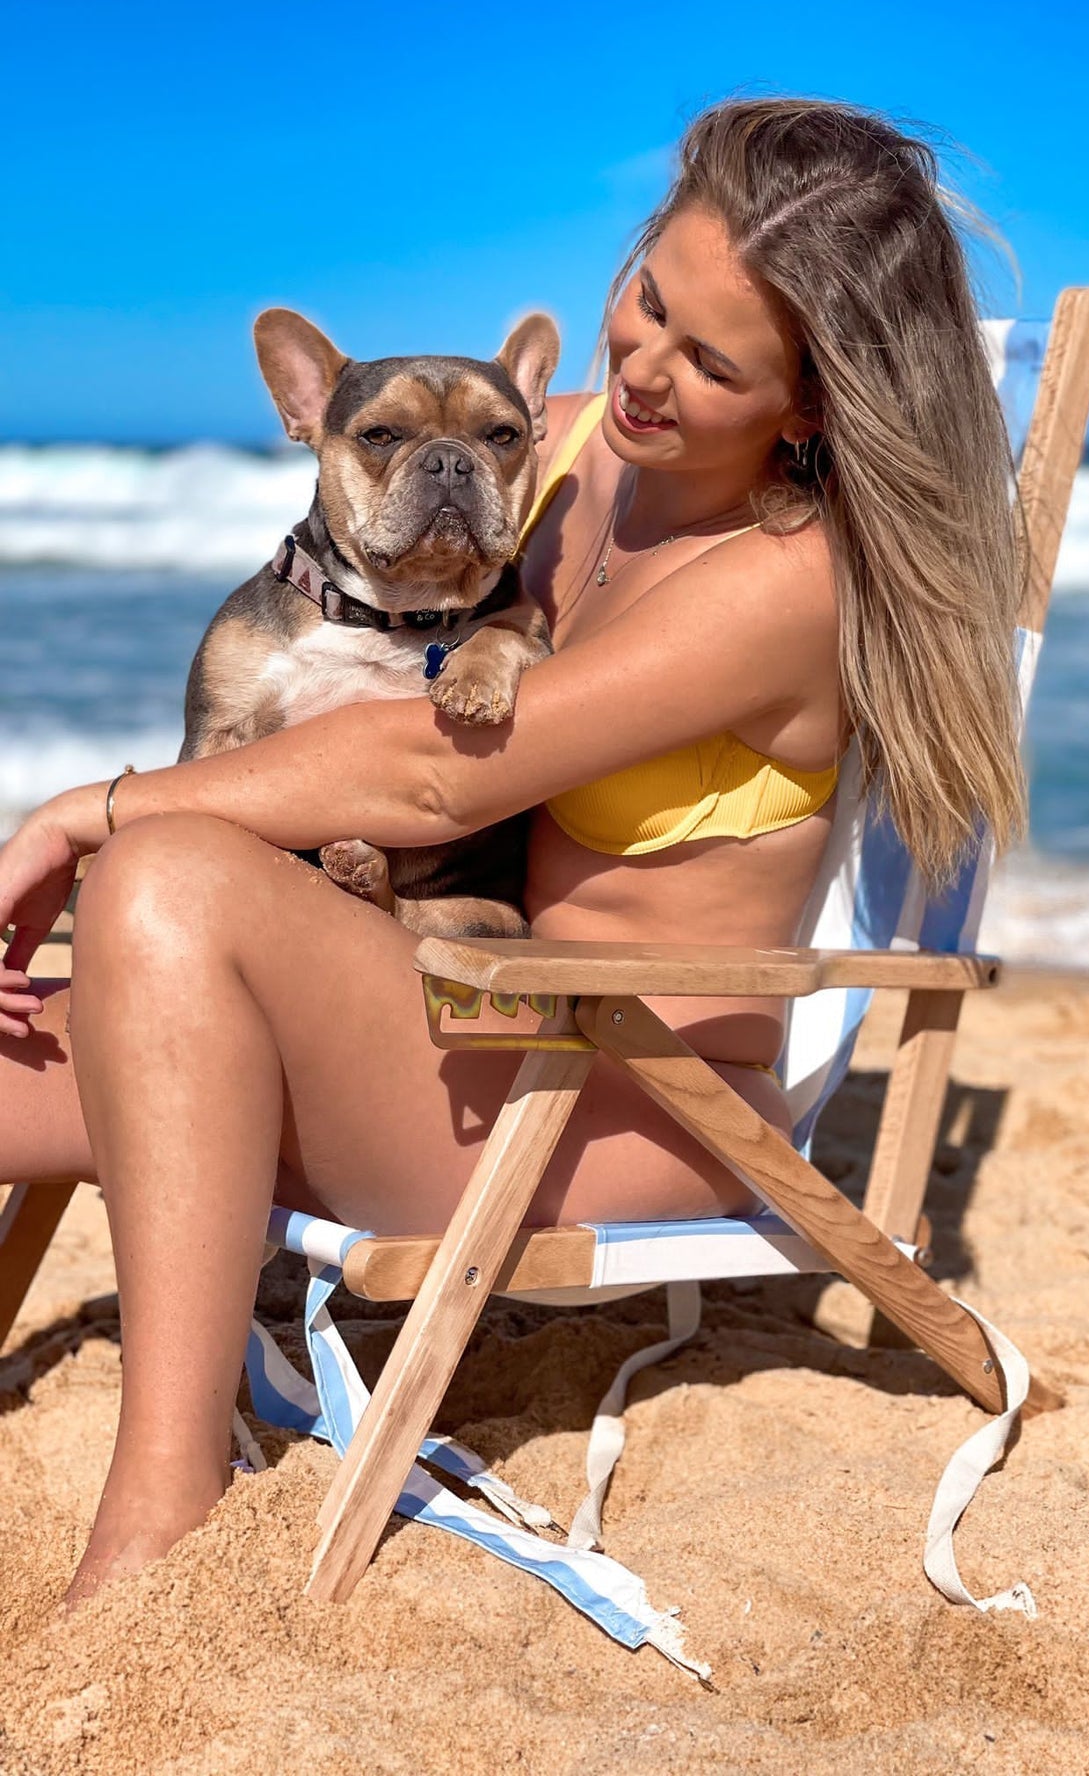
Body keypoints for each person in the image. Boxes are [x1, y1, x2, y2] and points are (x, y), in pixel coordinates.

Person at [0, 98, 1026, 1603]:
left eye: (712, 363)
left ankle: (166, 1500)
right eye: (649, 301)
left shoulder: (782, 579)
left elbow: (425, 779)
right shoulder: (559, 456)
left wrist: (81, 813)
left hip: (613, 1100)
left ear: (808, 408)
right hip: (435, 1021)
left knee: (168, 867)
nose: (644, 369)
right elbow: (365, 601)